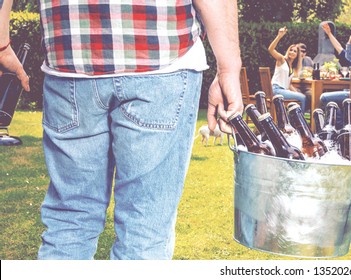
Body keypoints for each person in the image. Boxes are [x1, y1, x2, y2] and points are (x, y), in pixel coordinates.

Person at [0, 0, 243, 260]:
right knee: (144, 229)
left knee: (69, 223)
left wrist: (2, 45)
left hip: (70, 58)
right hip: (161, 55)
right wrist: (228, 67)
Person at [268, 27, 307, 111]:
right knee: (302, 98)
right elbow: (270, 49)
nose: (292, 52)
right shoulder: (282, 60)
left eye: (295, 51)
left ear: (297, 55)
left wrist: (296, 93)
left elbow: (289, 85)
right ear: (288, 51)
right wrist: (279, 36)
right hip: (276, 90)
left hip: (283, 90)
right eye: (291, 50)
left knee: (301, 96)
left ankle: (292, 121)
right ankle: (300, 122)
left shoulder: (292, 67)